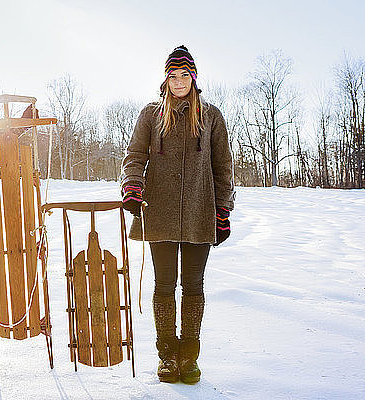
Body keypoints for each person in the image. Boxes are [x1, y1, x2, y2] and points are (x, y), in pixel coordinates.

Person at [120, 45, 235, 384]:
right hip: (160, 211)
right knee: (164, 286)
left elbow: (223, 165)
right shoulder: (151, 114)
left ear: (194, 78)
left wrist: (223, 208)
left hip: (200, 212)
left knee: (194, 287)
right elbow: (135, 154)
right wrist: (132, 186)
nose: (180, 80)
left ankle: (190, 357)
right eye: (174, 75)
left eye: (186, 75)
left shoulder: (211, 116)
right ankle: (167, 355)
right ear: (165, 78)